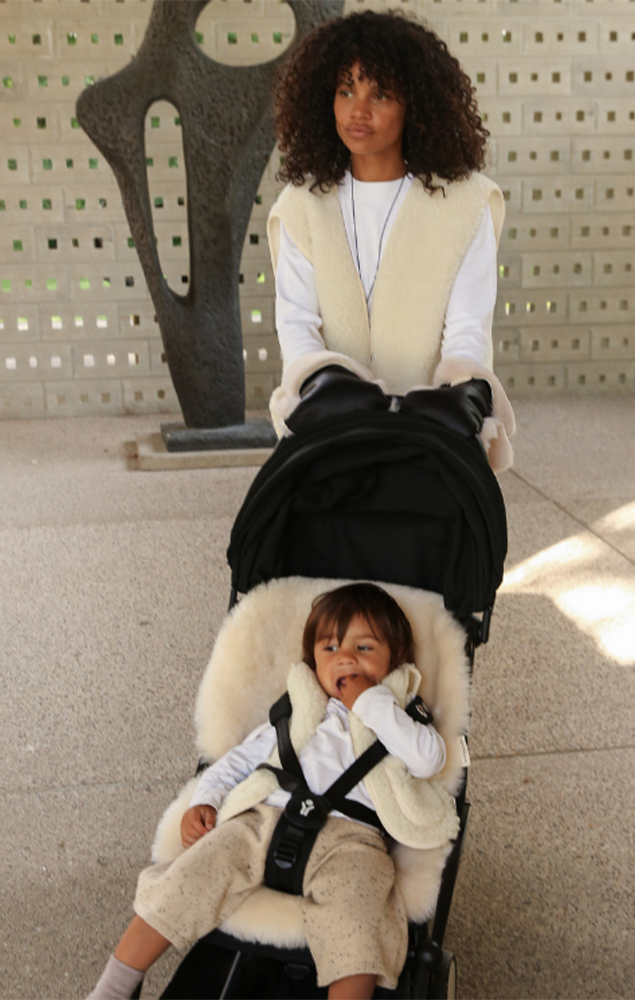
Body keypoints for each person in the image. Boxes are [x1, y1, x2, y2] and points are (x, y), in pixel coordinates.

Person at [87, 583, 458, 1000]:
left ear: (397, 660)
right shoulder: (298, 713)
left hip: (352, 840)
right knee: (188, 877)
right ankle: (112, 990)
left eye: (364, 648)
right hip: (263, 821)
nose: (346, 658)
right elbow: (237, 761)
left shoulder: (397, 716)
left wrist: (370, 702)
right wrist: (205, 799)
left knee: (360, 919)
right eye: (330, 648)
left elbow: (428, 760)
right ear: (313, 661)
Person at [267, 8, 515, 471]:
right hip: (329, 435)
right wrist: (333, 396)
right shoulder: (302, 205)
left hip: (433, 441)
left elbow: (468, 331)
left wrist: (450, 408)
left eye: (380, 94)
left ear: (415, 104)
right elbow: (297, 325)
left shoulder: (466, 204)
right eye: (346, 90)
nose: (358, 110)